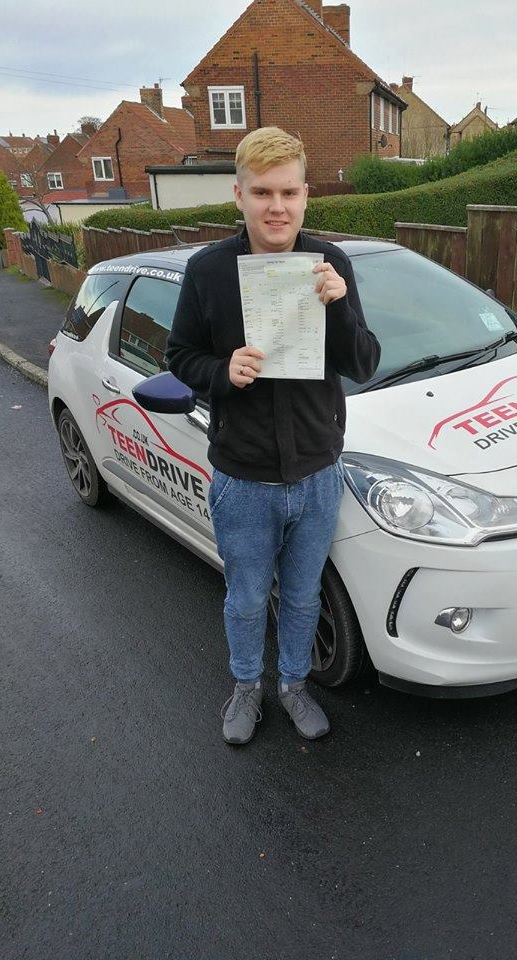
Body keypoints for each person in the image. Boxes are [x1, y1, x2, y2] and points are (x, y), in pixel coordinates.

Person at [166, 127, 380, 745]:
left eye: (288, 192)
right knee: (246, 597)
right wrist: (222, 373)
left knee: (303, 596)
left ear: (306, 195)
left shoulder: (330, 264)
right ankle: (245, 688)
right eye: (262, 192)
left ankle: (292, 684)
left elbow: (363, 363)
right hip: (244, 479)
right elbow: (179, 356)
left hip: (317, 475)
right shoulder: (208, 272)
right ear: (239, 195)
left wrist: (340, 306)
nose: (276, 207)